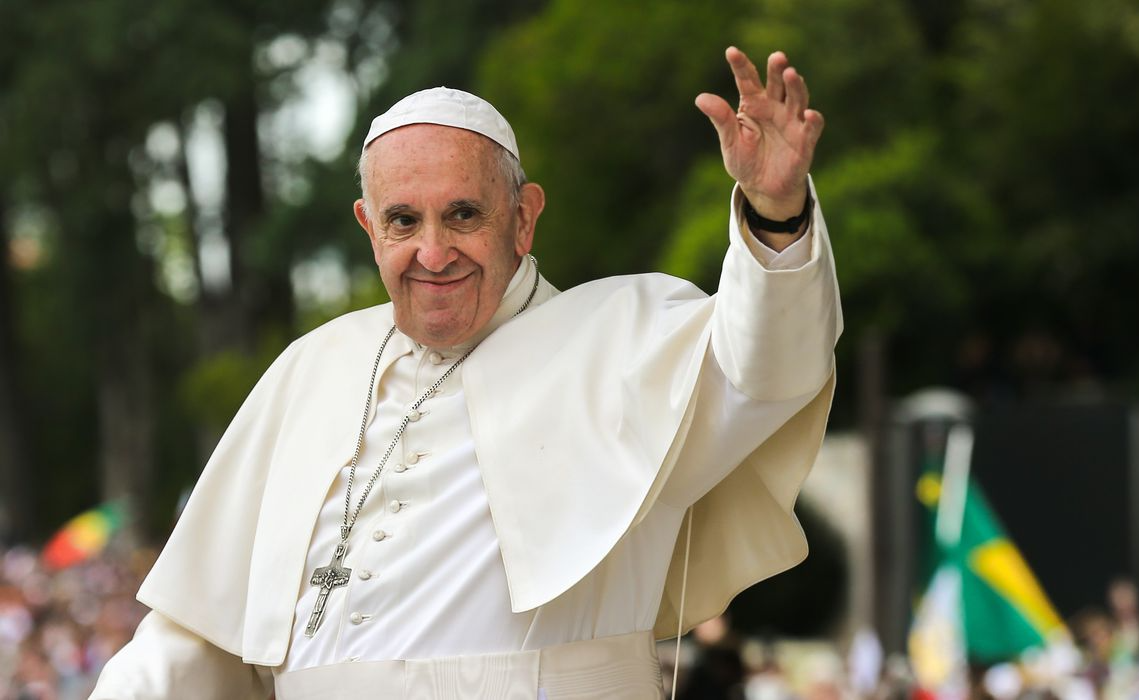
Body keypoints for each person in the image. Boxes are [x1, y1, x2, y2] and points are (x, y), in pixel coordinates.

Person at [90, 46, 842, 699]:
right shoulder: (309, 372)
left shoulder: (628, 337)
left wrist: (775, 213)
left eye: (462, 215)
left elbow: (766, 367)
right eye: (404, 221)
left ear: (523, 217)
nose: (433, 252)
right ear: (368, 226)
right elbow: (200, 637)